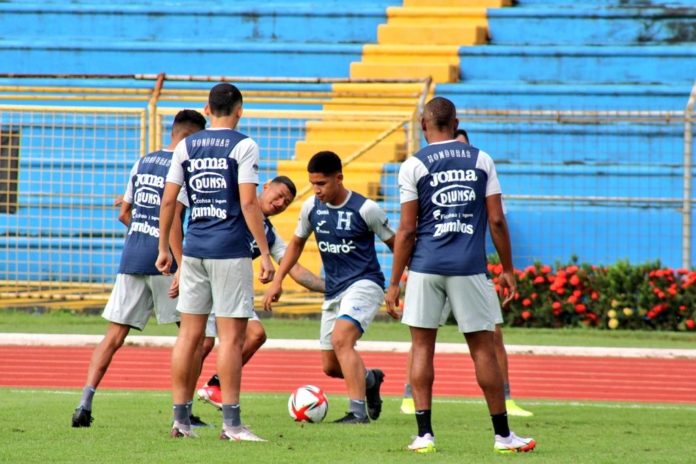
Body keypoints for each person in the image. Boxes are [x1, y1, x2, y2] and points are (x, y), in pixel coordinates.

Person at [385, 97, 536, 454]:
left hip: (424, 266)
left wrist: (394, 283)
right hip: (469, 267)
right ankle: (503, 436)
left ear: (424, 126)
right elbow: (497, 220)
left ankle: (424, 436)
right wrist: (509, 271)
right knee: (483, 348)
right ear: (456, 122)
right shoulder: (481, 159)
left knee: (422, 347)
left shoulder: (413, 165)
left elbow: (406, 230)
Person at [71, 109, 207, 428]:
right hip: (166, 262)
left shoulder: (142, 162)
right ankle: (185, 411)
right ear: (189, 137)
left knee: (114, 336)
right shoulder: (183, 167)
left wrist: (142, 233)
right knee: (193, 338)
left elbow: (124, 214)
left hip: (132, 256)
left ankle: (84, 404)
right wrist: (180, 264)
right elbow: (172, 218)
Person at [156, 83, 275, 441]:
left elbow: (169, 202)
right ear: (240, 109)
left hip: (193, 250)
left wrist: (164, 246)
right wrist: (265, 253)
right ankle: (232, 425)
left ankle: (180, 420)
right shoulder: (244, 145)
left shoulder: (186, 146)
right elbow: (249, 203)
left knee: (189, 337)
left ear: (208, 109)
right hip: (229, 251)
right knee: (231, 339)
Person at [262, 151, 394, 424]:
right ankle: (371, 379)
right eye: (313, 183)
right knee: (331, 366)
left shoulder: (366, 208)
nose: (317, 190)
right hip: (334, 289)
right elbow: (296, 244)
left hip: (365, 282)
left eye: (322, 183)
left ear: (339, 178)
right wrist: (278, 280)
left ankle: (357, 413)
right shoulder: (311, 207)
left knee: (342, 340)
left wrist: (397, 284)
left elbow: (397, 243)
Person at [191, 176, 326, 409]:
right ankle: (184, 409)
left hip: (230, 288)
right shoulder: (235, 201)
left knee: (255, 335)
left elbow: (295, 268)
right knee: (202, 344)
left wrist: (334, 286)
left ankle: (215, 386)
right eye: (279, 194)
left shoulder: (269, 235)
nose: (281, 202)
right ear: (266, 187)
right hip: (206, 276)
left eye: (286, 202)